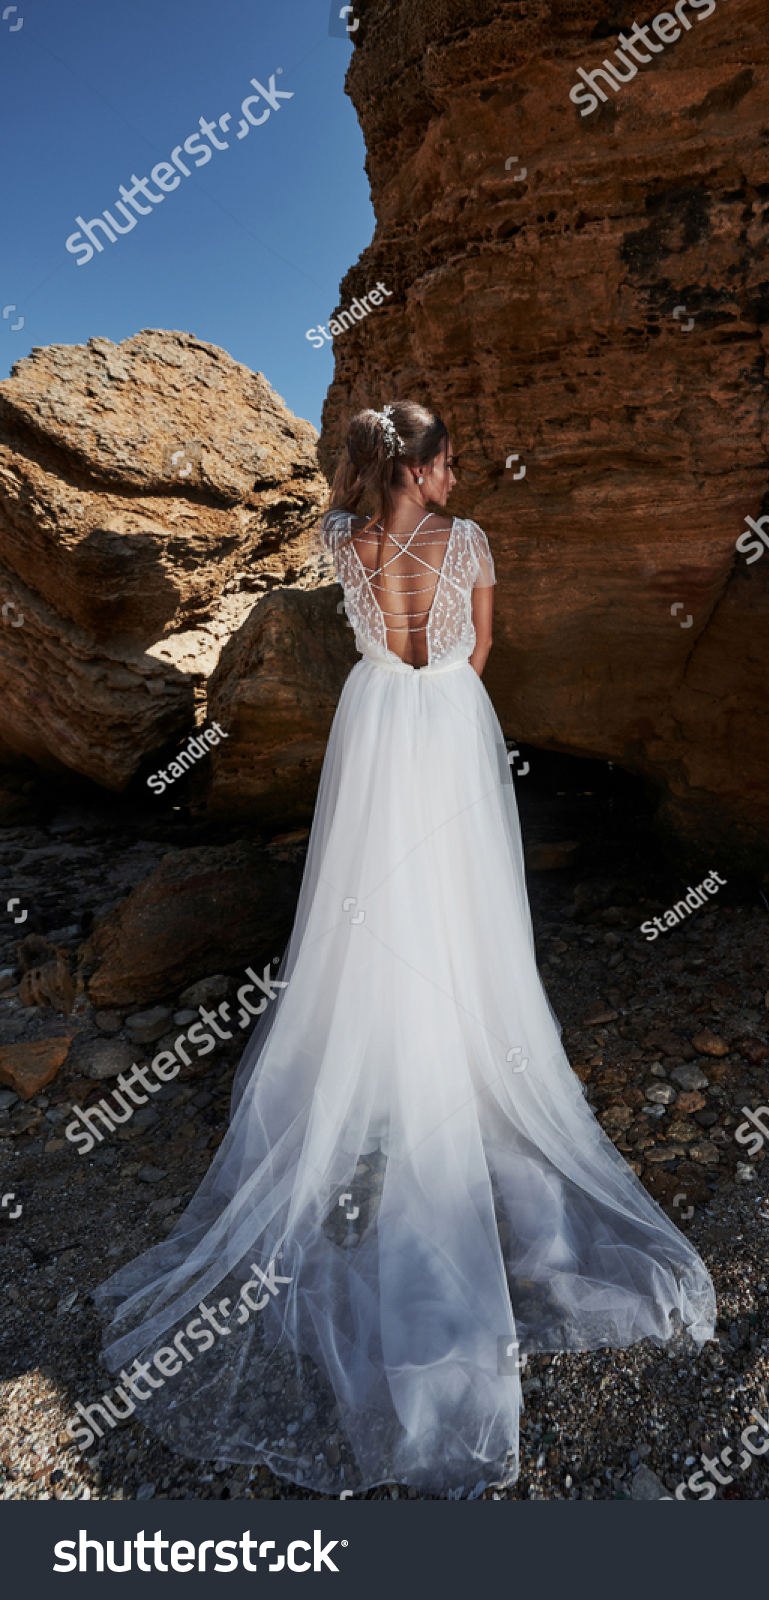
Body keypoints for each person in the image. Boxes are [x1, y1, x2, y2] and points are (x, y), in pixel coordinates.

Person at [92, 401, 715, 1499]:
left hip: (378, 718)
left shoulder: (343, 540)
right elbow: (477, 648)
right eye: (447, 459)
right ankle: (464, 1051)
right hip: (443, 718)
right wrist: (450, 683)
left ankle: (371, 1059)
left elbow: (373, 614)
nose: (457, 472)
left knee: (366, 896)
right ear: (421, 468)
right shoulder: (469, 538)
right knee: (461, 896)